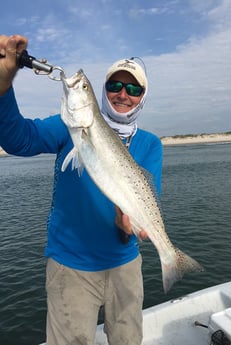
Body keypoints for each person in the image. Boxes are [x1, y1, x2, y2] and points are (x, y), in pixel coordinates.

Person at [0, 35, 163, 345]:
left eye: (133, 89)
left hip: (126, 264)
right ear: (103, 91)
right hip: (70, 266)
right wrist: (4, 85)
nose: (122, 94)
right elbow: (17, 139)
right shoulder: (68, 126)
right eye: (115, 86)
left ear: (143, 96)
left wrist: (128, 227)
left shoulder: (150, 145)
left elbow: (149, 198)